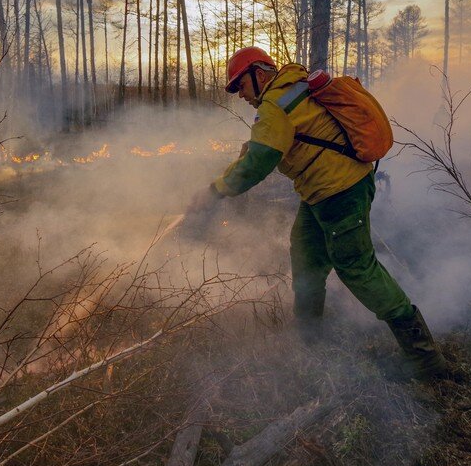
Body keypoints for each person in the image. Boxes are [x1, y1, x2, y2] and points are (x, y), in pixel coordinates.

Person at [188, 47, 451, 381]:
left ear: (258, 72)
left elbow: (259, 162)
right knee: (306, 257)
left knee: (357, 269)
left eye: (240, 85)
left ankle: (426, 361)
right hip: (321, 193)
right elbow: (274, 144)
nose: (239, 94)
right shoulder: (290, 90)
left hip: (339, 192)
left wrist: (215, 192)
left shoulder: (274, 105)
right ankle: (310, 342)